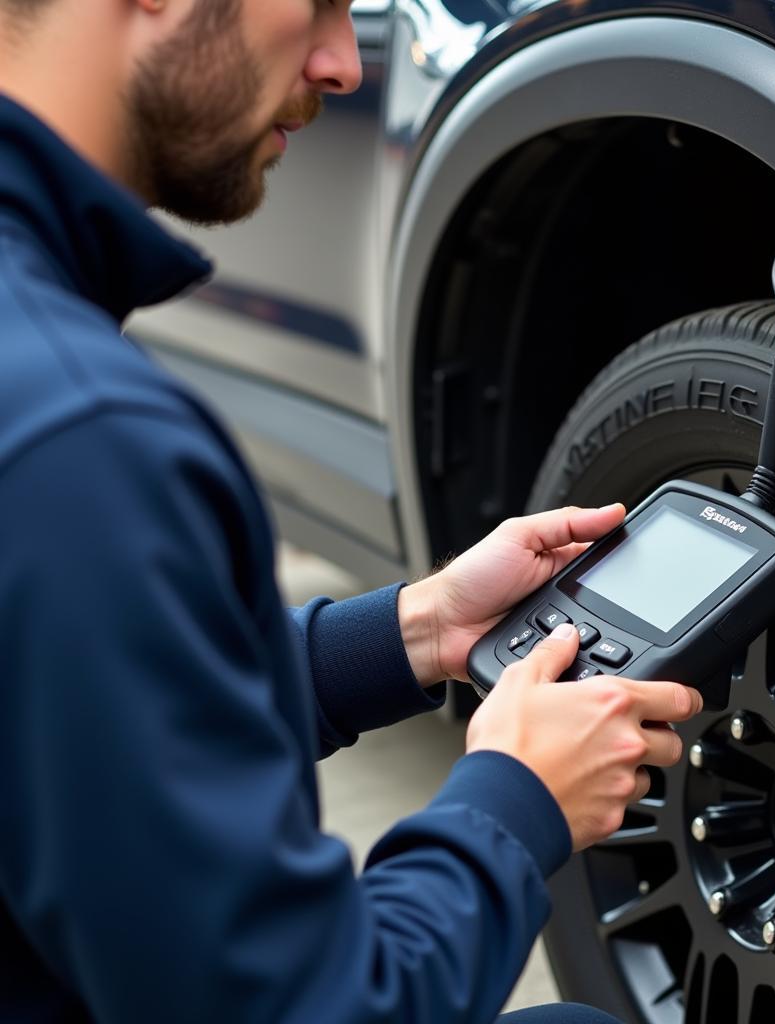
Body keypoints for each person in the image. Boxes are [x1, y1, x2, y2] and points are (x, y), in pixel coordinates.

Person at [0, 1, 704, 1021]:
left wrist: (415, 631)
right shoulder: (84, 441)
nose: (340, 63)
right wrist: (513, 798)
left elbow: (81, 723)